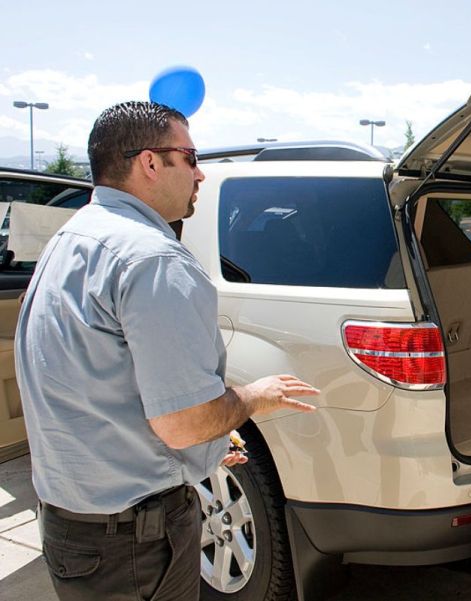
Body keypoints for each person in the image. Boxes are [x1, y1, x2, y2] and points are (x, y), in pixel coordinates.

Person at [15, 101, 319, 601]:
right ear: (149, 163)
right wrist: (251, 399)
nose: (200, 174)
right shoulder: (152, 259)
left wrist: (210, 444)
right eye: (191, 156)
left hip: (72, 527)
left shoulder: (69, 239)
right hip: (133, 542)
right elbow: (181, 422)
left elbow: (94, 375)